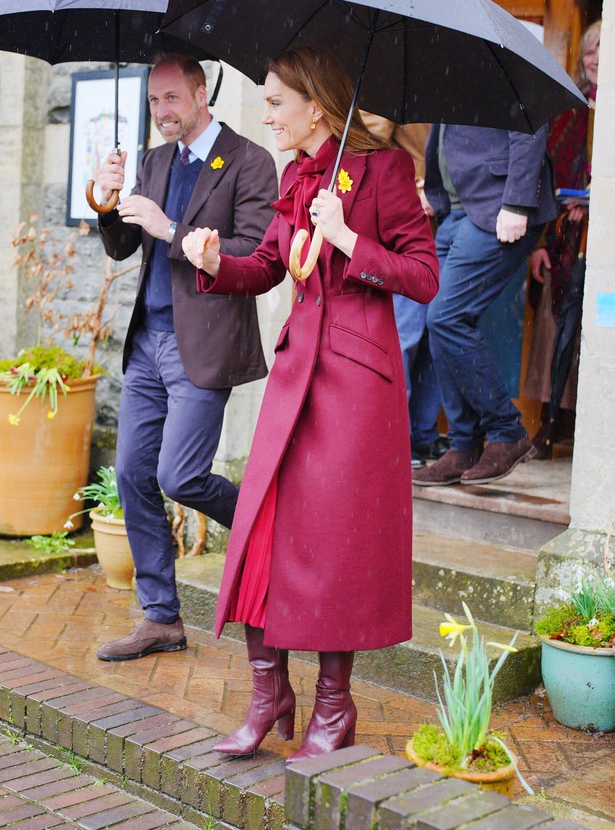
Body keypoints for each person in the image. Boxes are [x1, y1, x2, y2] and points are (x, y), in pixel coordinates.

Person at [182, 45, 439, 761]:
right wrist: (214, 264)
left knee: (335, 550)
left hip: (357, 390)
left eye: (274, 103)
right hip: (295, 381)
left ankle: (334, 707)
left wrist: (349, 235)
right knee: (261, 532)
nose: (265, 115)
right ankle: (270, 694)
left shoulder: (385, 172)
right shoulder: (297, 176)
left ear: (315, 108)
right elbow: (268, 266)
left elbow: (424, 277)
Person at [93, 53, 278, 661]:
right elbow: (125, 244)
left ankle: (267, 529)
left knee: (181, 476)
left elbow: (255, 257)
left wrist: (171, 227)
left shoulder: (248, 162)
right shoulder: (152, 160)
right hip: (148, 343)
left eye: (171, 99)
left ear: (202, 94)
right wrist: (105, 200)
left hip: (204, 344)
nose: (161, 112)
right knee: (132, 474)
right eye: (153, 102)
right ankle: (161, 618)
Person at [413, 119, 555, 487]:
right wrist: (436, 188)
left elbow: (530, 125)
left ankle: (507, 433)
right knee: (439, 320)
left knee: (448, 317)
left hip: (496, 207)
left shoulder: (501, 62)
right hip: (455, 211)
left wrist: (518, 201)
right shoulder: (453, 66)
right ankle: (464, 445)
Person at [523, 20, 600, 457]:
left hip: (599, 241)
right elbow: (542, 171)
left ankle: (585, 431)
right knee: (556, 331)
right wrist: (536, 244)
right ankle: (552, 423)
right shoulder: (567, 108)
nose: (595, 59)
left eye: (604, 50)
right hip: (560, 237)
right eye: (590, 50)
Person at [361, 114, 448, 469]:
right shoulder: (394, 81)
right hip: (407, 225)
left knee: (433, 335)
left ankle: (422, 433)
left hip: (445, 220)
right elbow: (366, 145)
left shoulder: (449, 86)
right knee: (405, 338)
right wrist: (413, 188)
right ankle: (396, 436)